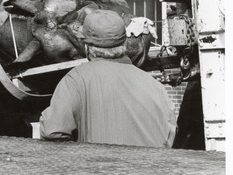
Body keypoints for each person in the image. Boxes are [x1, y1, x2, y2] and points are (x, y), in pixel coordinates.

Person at [39, 9, 176, 147]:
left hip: (98, 161)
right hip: (153, 161)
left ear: (86, 47)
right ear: (124, 43)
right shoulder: (156, 86)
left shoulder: (76, 80)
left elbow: (52, 130)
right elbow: (169, 136)